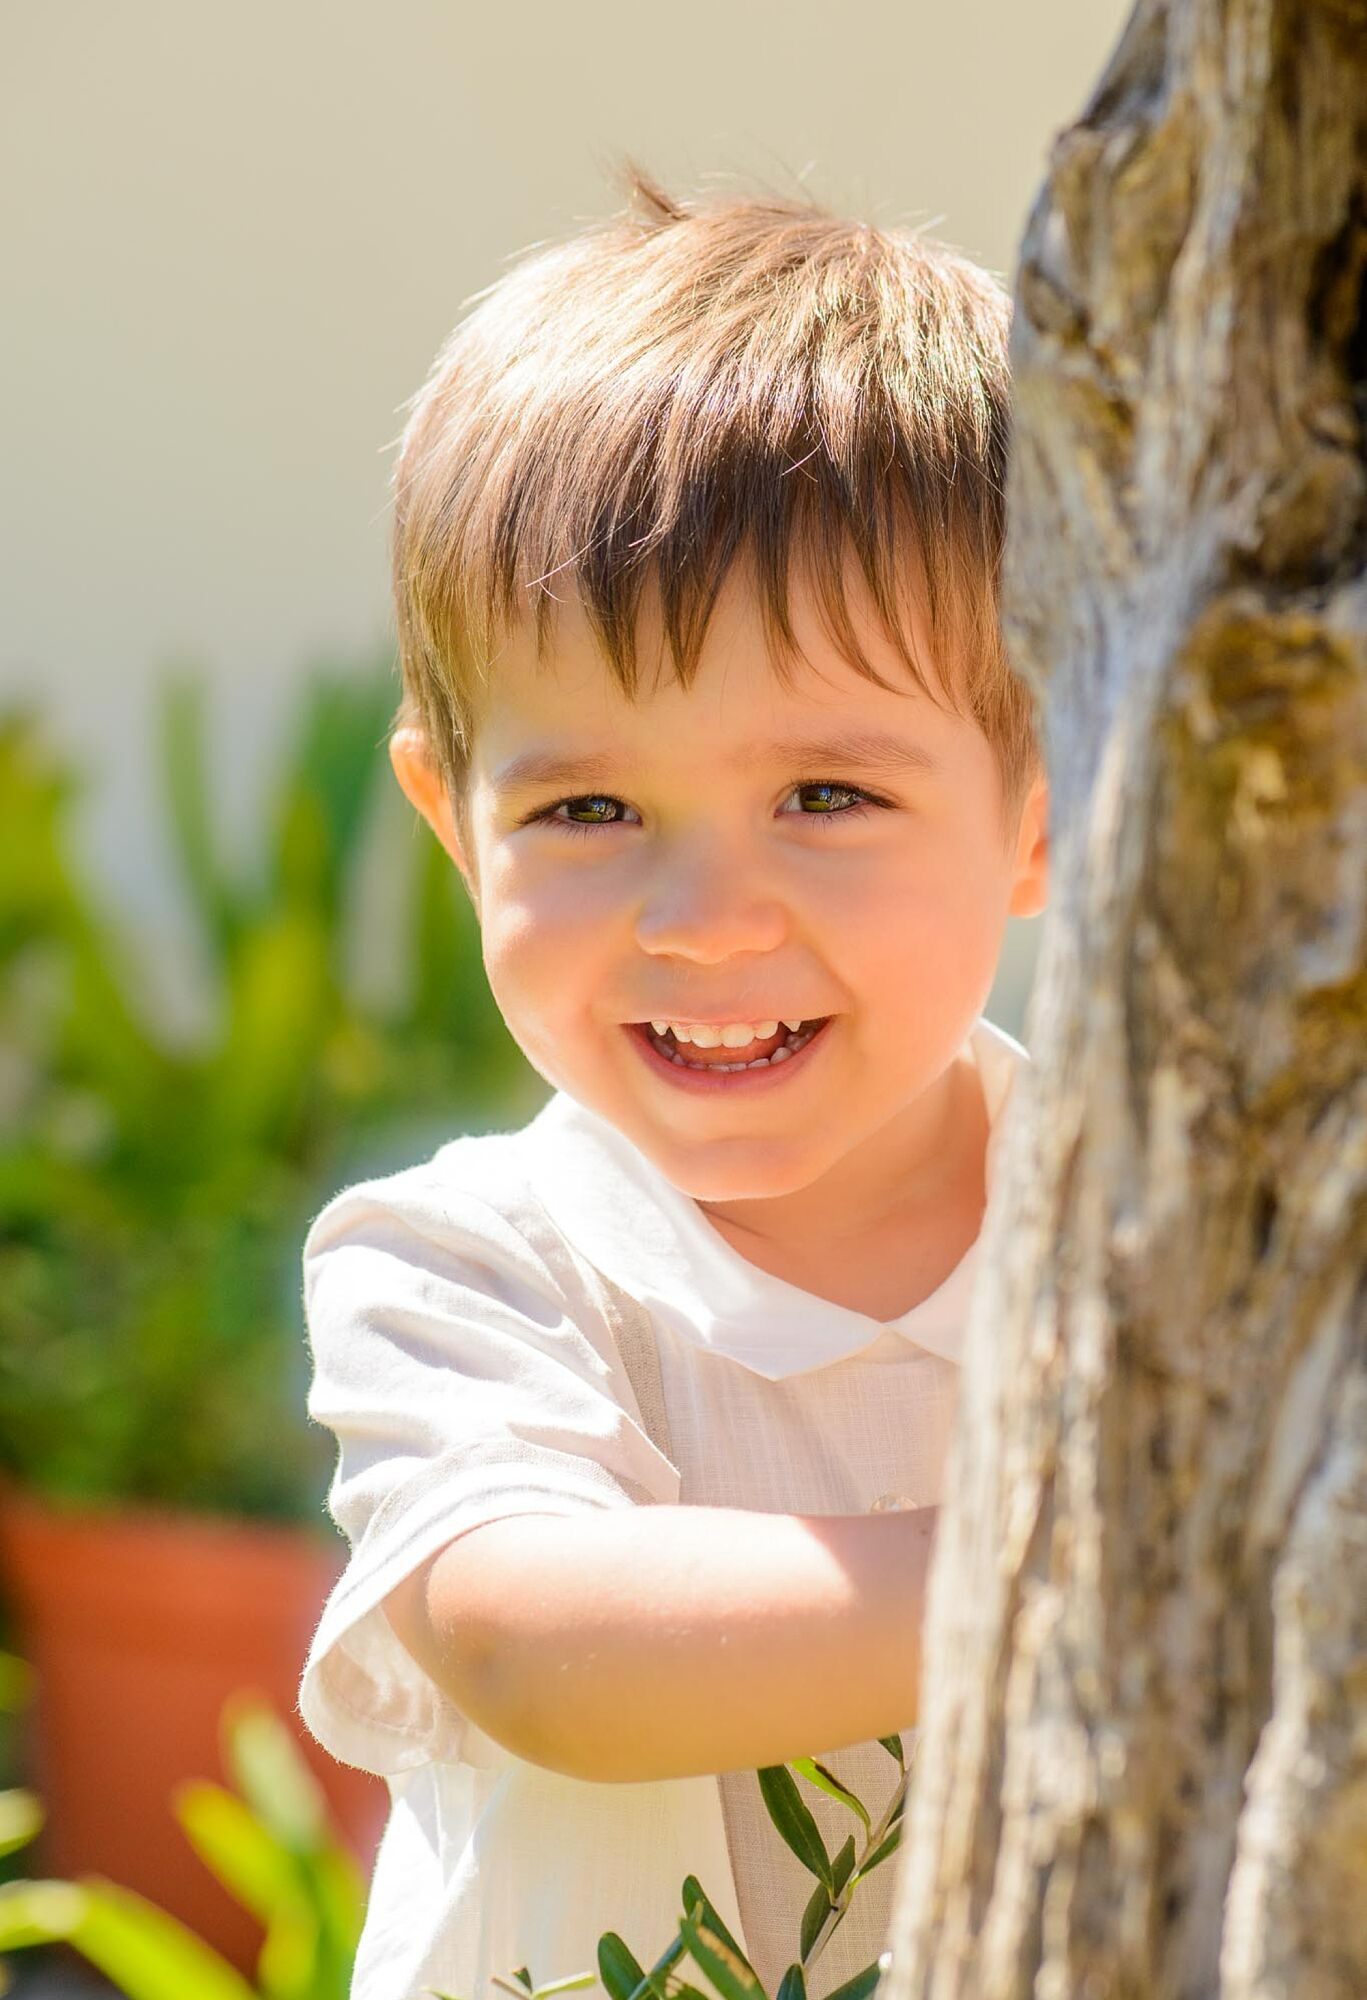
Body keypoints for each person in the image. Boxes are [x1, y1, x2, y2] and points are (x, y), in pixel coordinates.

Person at [297, 170, 1048, 2000]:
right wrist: (1075, 1580)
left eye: (827, 795)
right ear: (454, 831)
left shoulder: (1144, 1231)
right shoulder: (470, 1259)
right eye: (587, 810)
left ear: (1044, 802)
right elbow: (538, 1641)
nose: (707, 921)